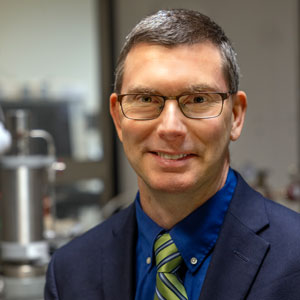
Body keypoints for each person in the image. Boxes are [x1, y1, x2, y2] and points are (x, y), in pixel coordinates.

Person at [45, 8, 300, 300]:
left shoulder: (295, 258)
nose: (170, 128)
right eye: (145, 99)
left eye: (199, 99)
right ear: (117, 118)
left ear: (236, 116)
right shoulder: (69, 273)